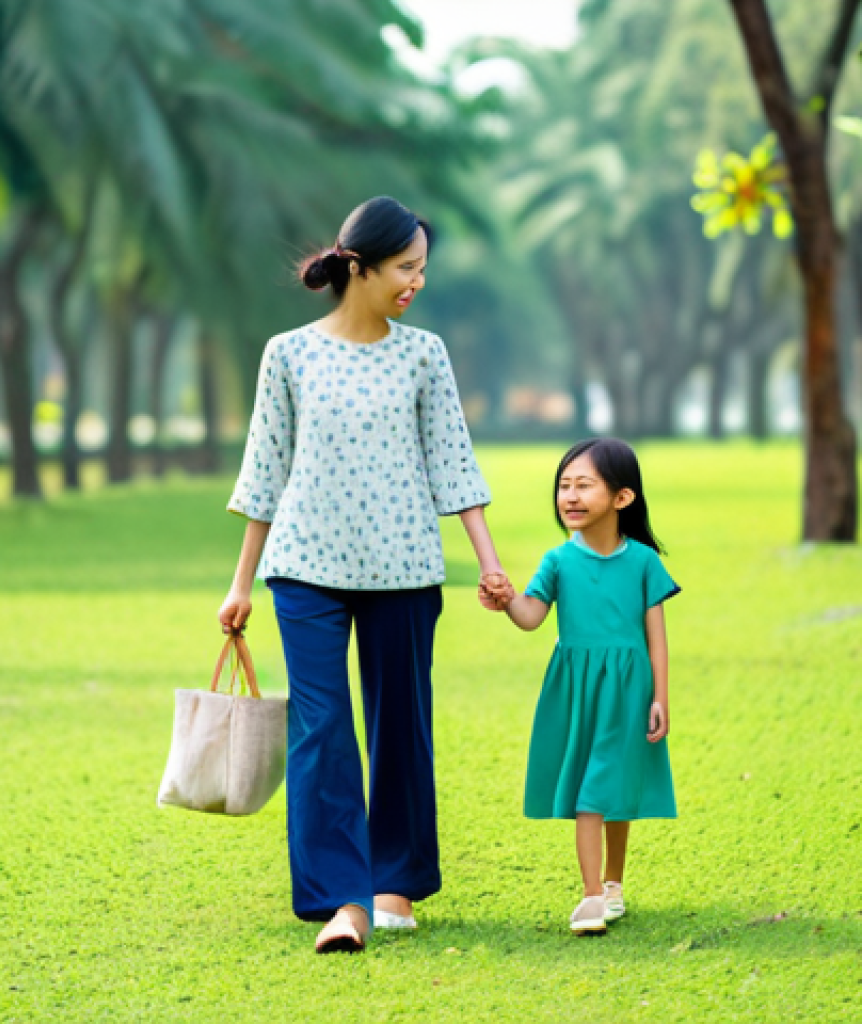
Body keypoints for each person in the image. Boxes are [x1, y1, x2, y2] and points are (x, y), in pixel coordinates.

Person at [218, 196, 507, 953]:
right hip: (305, 570)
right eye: (406, 268)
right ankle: (341, 903)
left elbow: (453, 462)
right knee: (322, 729)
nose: (416, 281)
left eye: (422, 269)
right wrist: (241, 582)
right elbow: (264, 472)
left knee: (400, 725)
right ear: (361, 266)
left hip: (407, 568)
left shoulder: (424, 354)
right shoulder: (288, 354)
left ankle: (395, 884)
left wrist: (489, 562)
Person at [481, 438, 679, 935]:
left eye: (583, 485)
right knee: (592, 785)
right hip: (576, 690)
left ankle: (606, 886)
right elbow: (530, 617)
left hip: (628, 691)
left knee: (607, 786)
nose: (569, 496)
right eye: (563, 486)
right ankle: (597, 891)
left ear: (622, 498)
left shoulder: (644, 562)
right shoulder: (557, 561)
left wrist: (660, 697)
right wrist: (506, 599)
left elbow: (656, 637)